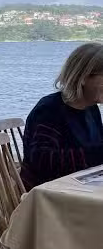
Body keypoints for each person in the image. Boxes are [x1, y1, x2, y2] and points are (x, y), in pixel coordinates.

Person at [22, 42, 103, 189]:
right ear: (84, 77)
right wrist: (97, 154)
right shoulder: (49, 110)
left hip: (81, 188)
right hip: (50, 194)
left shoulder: (91, 109)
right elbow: (42, 161)